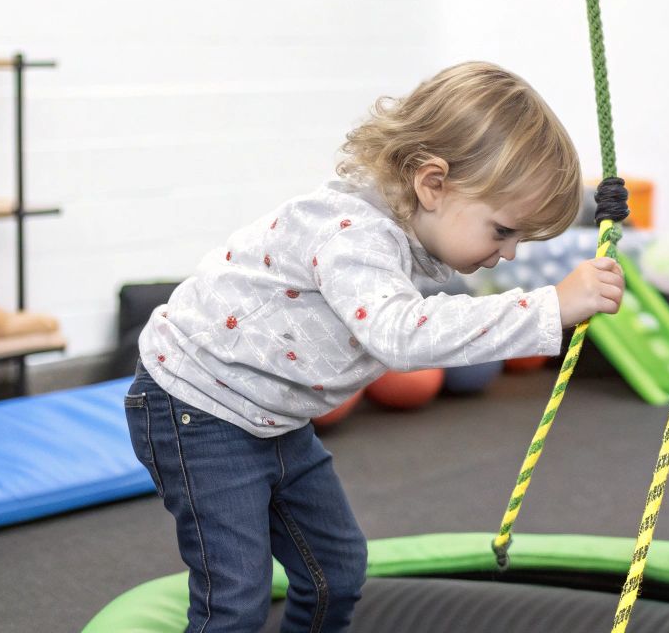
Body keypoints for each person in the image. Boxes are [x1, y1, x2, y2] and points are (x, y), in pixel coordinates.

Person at [127, 61, 625, 632]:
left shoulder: (403, 230)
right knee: (234, 597)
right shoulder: (351, 233)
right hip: (199, 406)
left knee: (334, 571)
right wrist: (548, 307)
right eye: (503, 231)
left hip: (274, 413)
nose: (509, 253)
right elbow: (401, 334)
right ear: (432, 184)